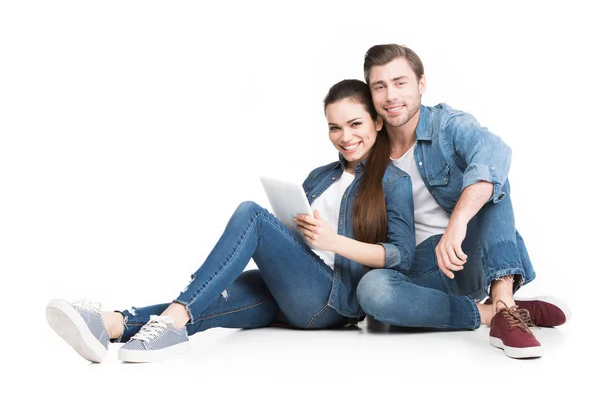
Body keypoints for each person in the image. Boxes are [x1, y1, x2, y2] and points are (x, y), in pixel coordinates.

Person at [45, 79, 416, 363]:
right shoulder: (321, 175)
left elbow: (402, 256)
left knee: (251, 214)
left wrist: (333, 242)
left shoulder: (394, 182)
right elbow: (294, 241)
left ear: (378, 123)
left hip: (334, 303)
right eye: (335, 128)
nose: (345, 137)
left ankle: (173, 320)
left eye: (355, 124)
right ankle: (110, 325)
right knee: (213, 299)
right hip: (295, 288)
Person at [355, 44, 570, 359]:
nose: (391, 96)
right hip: (417, 270)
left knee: (491, 177)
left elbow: (494, 153)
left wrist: (457, 222)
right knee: (371, 291)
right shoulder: (367, 146)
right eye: (380, 86)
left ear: (421, 84)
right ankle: (495, 312)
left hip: (467, 255)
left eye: (400, 82)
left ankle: (502, 299)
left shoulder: (448, 125)